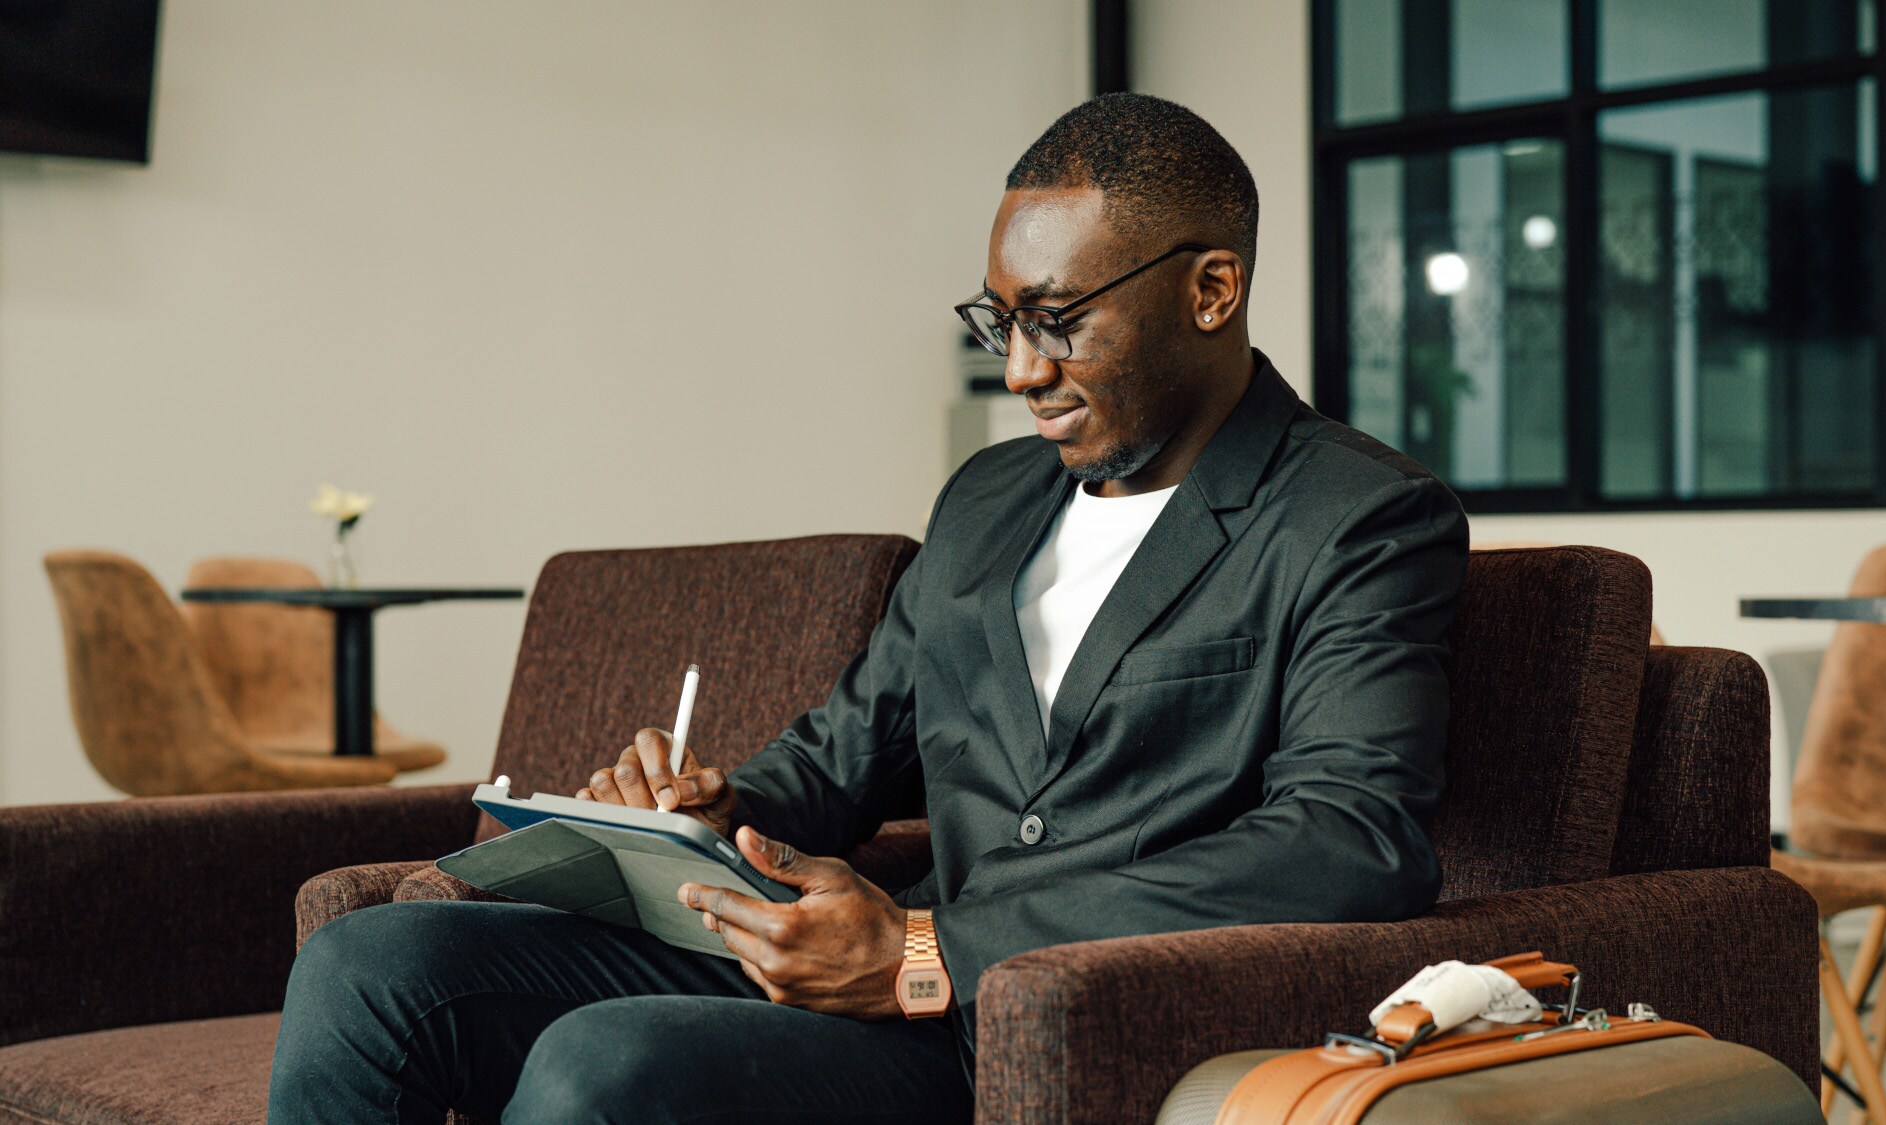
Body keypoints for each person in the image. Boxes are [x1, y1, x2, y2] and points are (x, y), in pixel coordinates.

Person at [268, 91, 1468, 1125]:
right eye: (1000, 321)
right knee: (373, 960)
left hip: (1041, 1025)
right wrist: (711, 808)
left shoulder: (1356, 517)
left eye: (1057, 320)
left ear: (1213, 289)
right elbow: (847, 756)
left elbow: (1347, 843)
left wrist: (928, 951)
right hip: (859, 974)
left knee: (605, 1065)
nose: (1019, 371)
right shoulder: (990, 499)